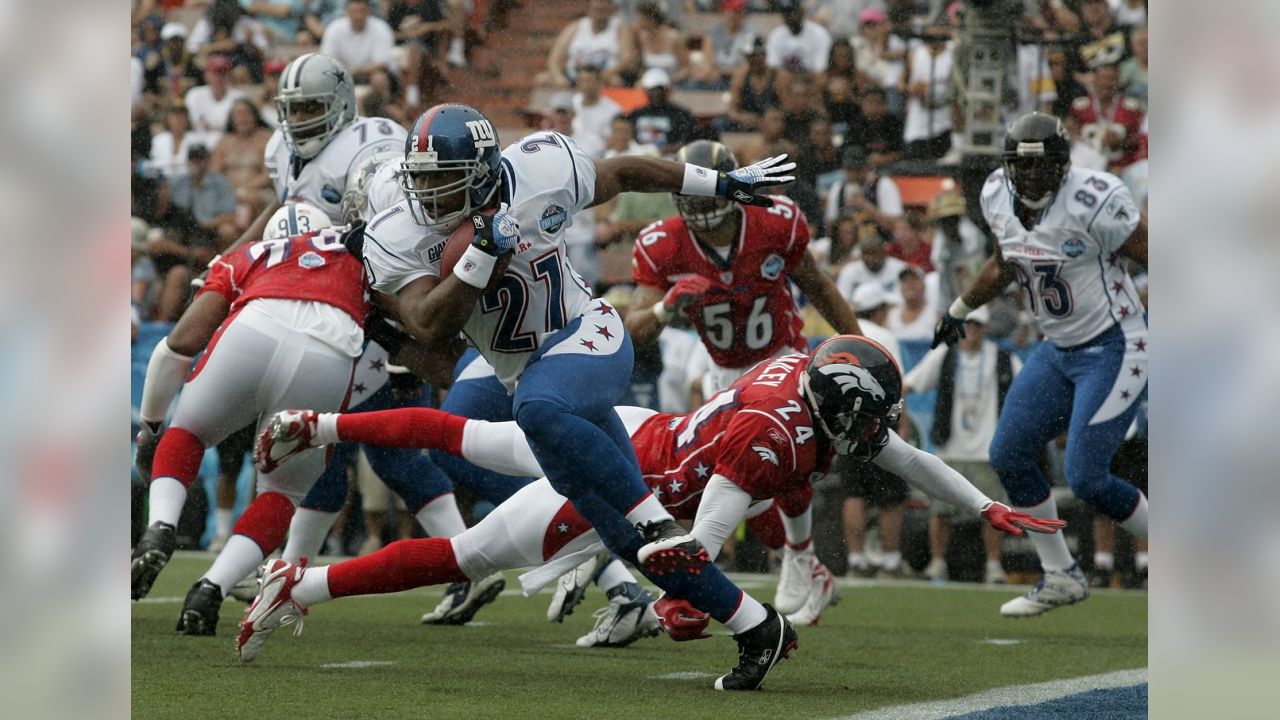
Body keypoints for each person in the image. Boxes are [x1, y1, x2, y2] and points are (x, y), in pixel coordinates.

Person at [338, 102, 805, 689]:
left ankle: (657, 518)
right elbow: (431, 333)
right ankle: (758, 627)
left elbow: (626, 172)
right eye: (420, 179)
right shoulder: (398, 231)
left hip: (588, 335)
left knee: (541, 413)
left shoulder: (540, 167)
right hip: (525, 370)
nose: (427, 195)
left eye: (441, 179)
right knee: (622, 540)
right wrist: (479, 256)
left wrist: (721, 183)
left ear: (482, 170)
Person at [242, 336, 1063, 670]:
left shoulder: (804, 384)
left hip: (637, 429)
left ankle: (320, 422)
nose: (878, 429)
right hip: (628, 486)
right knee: (467, 553)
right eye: (871, 412)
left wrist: (983, 508)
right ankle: (301, 585)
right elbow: (688, 546)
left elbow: (908, 456)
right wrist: (678, 601)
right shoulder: (771, 435)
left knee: (466, 439)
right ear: (841, 399)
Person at [625, 140, 862, 618]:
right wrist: (665, 307)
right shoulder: (662, 244)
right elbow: (634, 327)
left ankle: (795, 557)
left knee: (779, 465)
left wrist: (859, 344)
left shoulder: (775, 220)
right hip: (725, 373)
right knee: (737, 488)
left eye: (709, 196)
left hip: (783, 358)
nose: (702, 210)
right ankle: (805, 561)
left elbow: (818, 286)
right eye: (691, 198)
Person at [932, 111, 1149, 617]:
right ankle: (1060, 574)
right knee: (1008, 453)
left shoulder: (1093, 200)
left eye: (1041, 166)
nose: (1030, 176)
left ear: (1063, 164)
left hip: (1115, 344)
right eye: (1021, 167)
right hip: (1057, 348)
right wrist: (959, 309)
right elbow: (1005, 264)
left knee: (1087, 476)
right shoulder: (995, 196)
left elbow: (1153, 252)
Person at [130, 204, 367, 622]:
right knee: (281, 493)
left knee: (187, 432)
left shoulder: (249, 254)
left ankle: (162, 525)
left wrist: (150, 427)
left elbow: (177, 347)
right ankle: (211, 590)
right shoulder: (355, 257)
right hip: (327, 354)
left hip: (252, 329)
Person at [906, 306, 1019, 584]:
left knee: (993, 511)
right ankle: (937, 563)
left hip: (988, 448)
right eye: (967, 325)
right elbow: (910, 383)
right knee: (940, 511)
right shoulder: (945, 354)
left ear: (985, 328)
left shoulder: (1003, 358)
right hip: (950, 447)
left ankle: (993, 566)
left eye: (977, 326)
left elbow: (1028, 393)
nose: (971, 331)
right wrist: (898, 416)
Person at [267, 53, 408, 224]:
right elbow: (284, 203)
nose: (298, 119)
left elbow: (392, 228)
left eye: (310, 107)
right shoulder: (279, 146)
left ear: (342, 105)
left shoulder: (368, 142)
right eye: (292, 109)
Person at [543, 0, 635, 88]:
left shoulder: (620, 28)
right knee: (543, 80)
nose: (600, 9)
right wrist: (558, 77)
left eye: (604, 8)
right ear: (589, 8)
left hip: (605, 76)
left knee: (616, 82)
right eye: (597, 8)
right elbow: (554, 58)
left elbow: (627, 58)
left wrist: (606, 74)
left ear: (611, 8)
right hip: (574, 75)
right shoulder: (575, 27)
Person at [823, 145, 903, 240]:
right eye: (849, 169)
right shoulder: (838, 188)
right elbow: (829, 227)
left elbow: (896, 225)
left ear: (867, 167)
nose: (853, 173)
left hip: (878, 243)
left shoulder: (883, 184)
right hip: (847, 247)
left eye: (857, 169)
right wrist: (843, 218)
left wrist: (864, 205)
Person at [627, 68, 697, 152]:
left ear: (668, 91)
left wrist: (659, 151)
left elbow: (686, 143)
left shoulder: (681, 114)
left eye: (660, 89)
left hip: (668, 158)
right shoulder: (636, 113)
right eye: (652, 90)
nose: (656, 93)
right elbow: (627, 138)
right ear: (646, 91)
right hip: (638, 155)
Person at [183, 55, 246, 147]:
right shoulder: (194, 95)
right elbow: (190, 124)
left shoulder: (239, 97)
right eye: (215, 73)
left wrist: (210, 125)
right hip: (198, 148)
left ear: (229, 76)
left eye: (223, 73)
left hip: (228, 146)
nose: (219, 77)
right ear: (206, 75)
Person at [765, 0, 832, 75]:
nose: (791, 15)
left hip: (810, 78)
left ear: (802, 11)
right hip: (785, 80)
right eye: (788, 12)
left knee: (820, 78)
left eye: (795, 11)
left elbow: (820, 68)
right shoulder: (776, 35)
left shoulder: (819, 33)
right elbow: (773, 66)